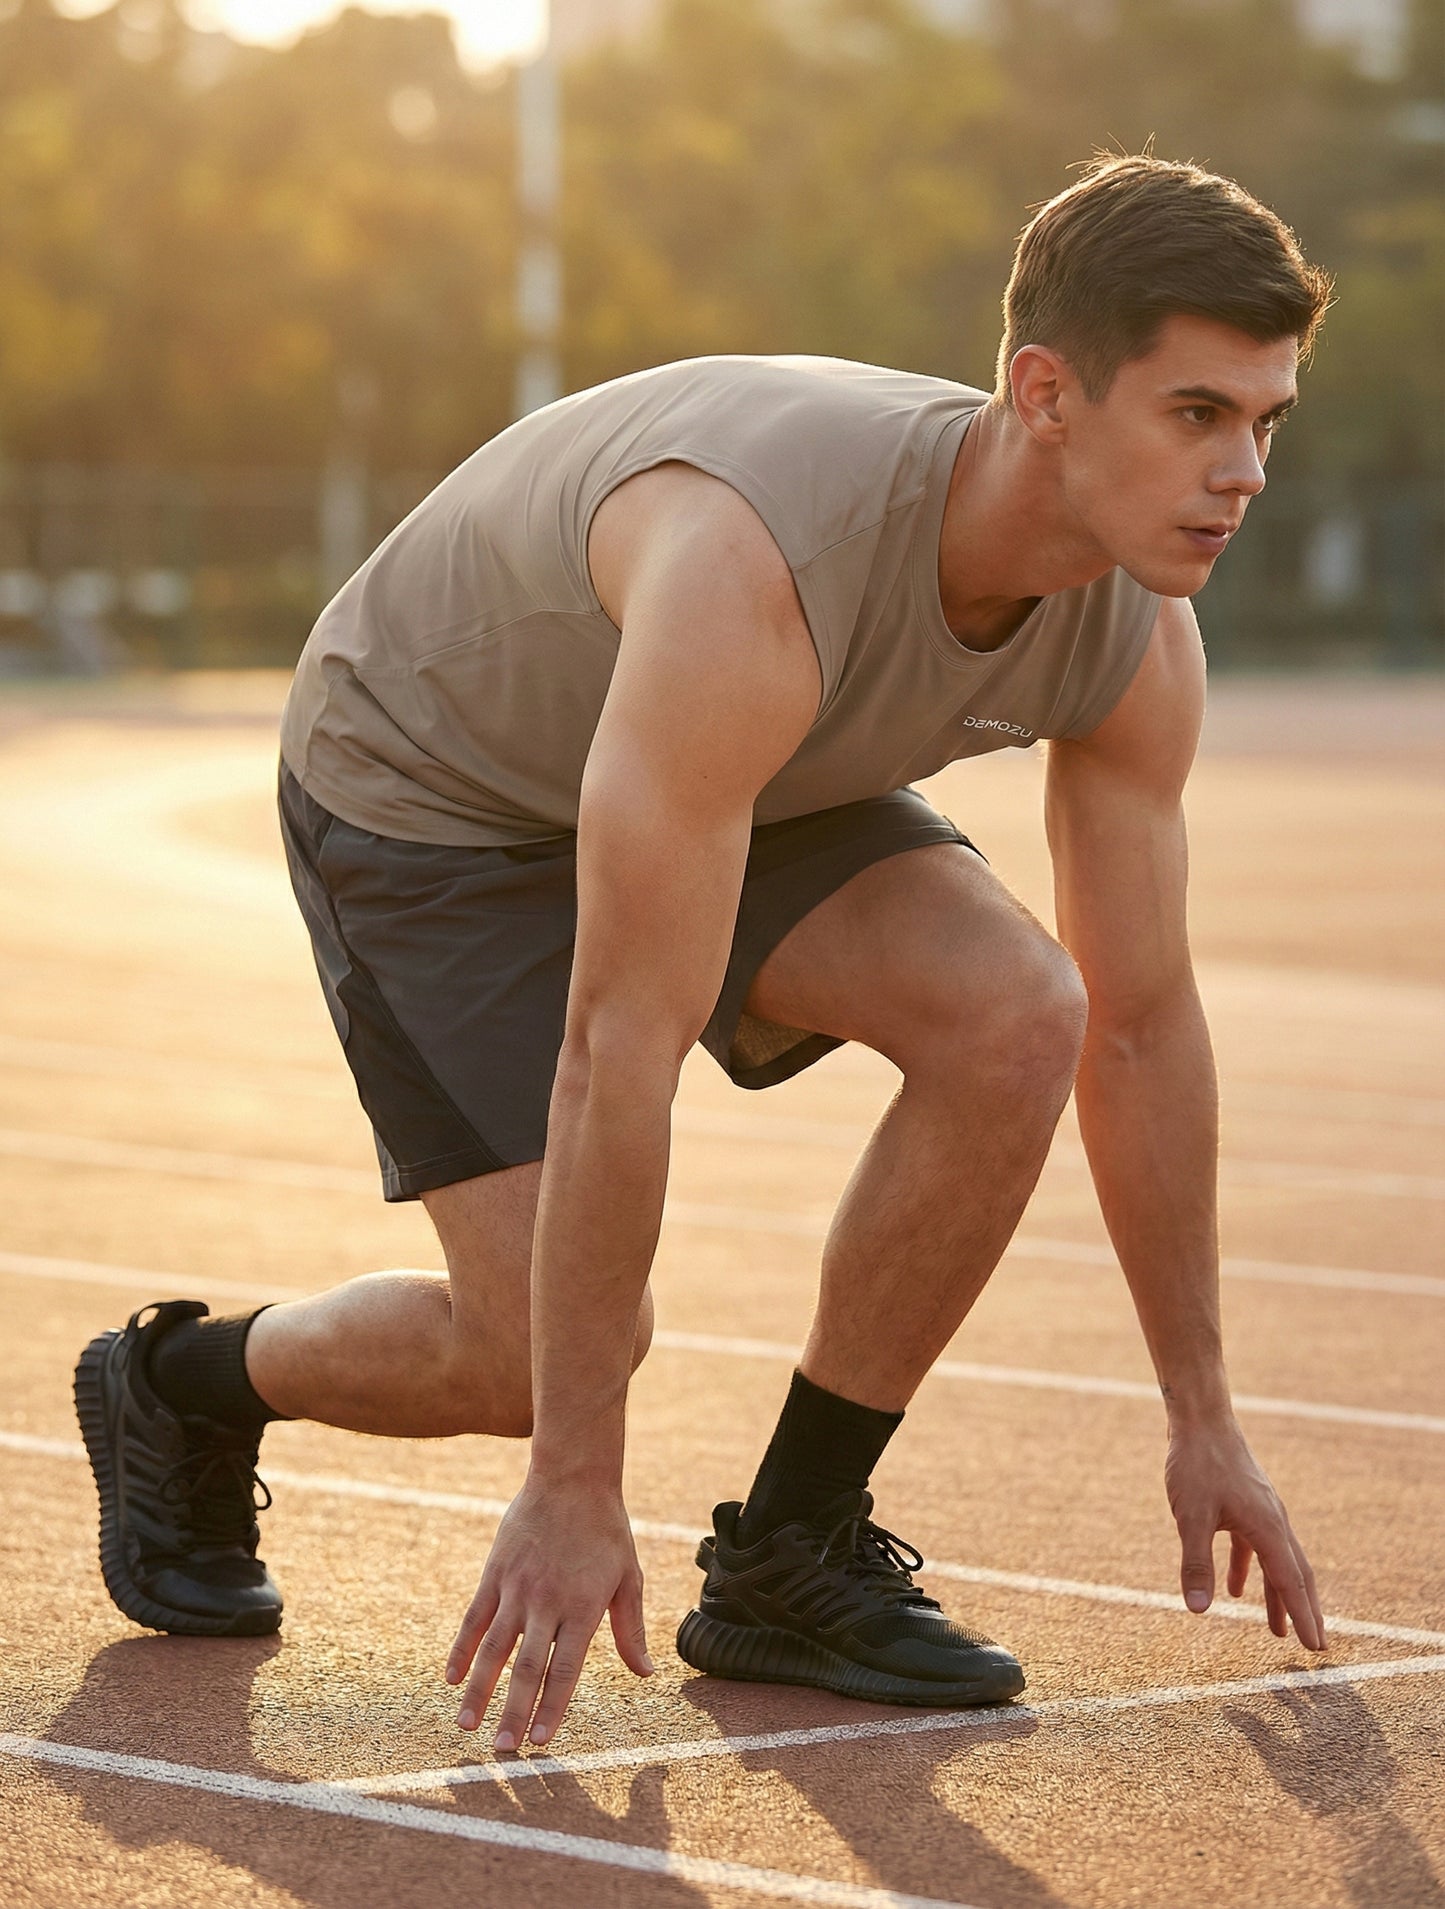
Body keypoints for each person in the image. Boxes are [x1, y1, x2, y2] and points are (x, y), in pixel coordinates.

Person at [76, 153, 1333, 1751]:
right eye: (1196, 415)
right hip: (431, 779)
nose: (1244, 473)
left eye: (1264, 422)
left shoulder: (1135, 629)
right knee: (527, 1356)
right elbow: (621, 1037)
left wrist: (1202, 1412)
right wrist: (574, 1480)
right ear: (1044, 394)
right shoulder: (753, 564)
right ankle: (180, 1382)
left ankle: (791, 1550)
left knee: (1022, 1012)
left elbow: (1138, 1029)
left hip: (735, 759)